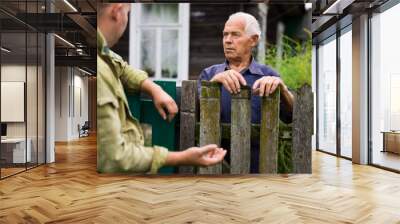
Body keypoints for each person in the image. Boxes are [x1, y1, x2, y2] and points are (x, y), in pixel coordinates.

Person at [97, 3, 226, 174]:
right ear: (117, 11)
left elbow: (121, 67)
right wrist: (182, 158)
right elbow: (114, 157)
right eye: (128, 13)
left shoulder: (101, 53)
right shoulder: (100, 69)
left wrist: (153, 88)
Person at [198, 12, 294, 173]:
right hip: (214, 165)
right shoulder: (209, 74)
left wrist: (282, 89)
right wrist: (213, 84)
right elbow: (193, 113)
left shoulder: (268, 75)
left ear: (253, 40)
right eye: (225, 35)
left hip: (259, 165)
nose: (227, 40)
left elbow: (292, 116)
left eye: (235, 35)